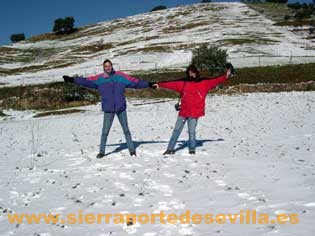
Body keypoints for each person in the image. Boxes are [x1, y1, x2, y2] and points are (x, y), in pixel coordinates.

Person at [63, 59, 153, 158]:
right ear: (103, 68)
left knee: (126, 130)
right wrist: (72, 80)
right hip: (108, 109)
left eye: (109, 66)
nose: (108, 68)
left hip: (120, 108)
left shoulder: (120, 76)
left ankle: (132, 150)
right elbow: (86, 81)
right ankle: (102, 152)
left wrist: (149, 84)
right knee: (105, 132)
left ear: (112, 66)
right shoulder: (99, 79)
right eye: (106, 66)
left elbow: (135, 82)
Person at [153, 63, 234, 155]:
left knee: (191, 131)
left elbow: (216, 80)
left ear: (196, 73)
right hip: (183, 111)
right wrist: (159, 84)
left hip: (195, 112)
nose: (191, 74)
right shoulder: (183, 83)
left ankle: (192, 149)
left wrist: (226, 75)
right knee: (176, 130)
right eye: (189, 73)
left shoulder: (204, 83)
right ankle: (170, 149)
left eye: (193, 72)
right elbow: (171, 83)